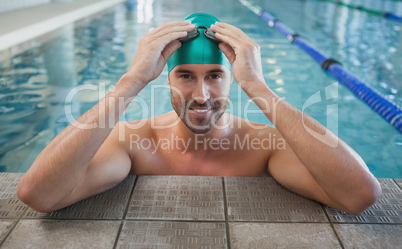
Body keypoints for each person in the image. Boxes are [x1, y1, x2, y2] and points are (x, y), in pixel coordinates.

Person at [17, 13, 381, 214]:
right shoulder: (134, 142)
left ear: (233, 77)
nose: (201, 96)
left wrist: (260, 89)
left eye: (216, 76)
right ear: (166, 78)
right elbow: (38, 195)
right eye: (186, 76)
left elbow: (359, 196)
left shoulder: (266, 145)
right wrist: (131, 82)